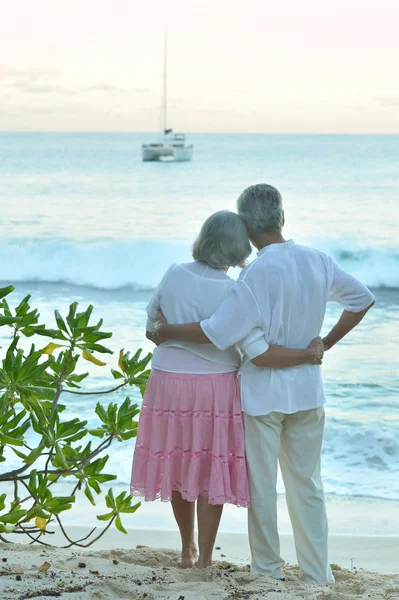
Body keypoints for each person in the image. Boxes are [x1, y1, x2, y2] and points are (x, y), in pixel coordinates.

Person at [153, 185, 375, 583]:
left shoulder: (253, 275)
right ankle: (316, 573)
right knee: (307, 485)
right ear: (282, 217)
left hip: (262, 396)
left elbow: (218, 331)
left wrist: (166, 330)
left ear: (245, 227)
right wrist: (323, 344)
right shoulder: (317, 259)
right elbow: (361, 299)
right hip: (308, 391)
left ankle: (269, 571)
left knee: (263, 488)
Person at [131, 209, 324, 570]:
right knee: (208, 468)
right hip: (213, 387)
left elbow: (150, 329)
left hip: (167, 383)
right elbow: (245, 344)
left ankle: (186, 550)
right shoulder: (235, 288)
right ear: (238, 247)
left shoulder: (173, 273)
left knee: (177, 463)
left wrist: (170, 333)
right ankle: (205, 557)